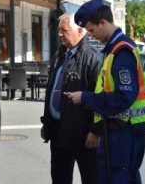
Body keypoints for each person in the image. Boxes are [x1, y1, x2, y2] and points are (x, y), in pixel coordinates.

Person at [69, 0, 145, 184]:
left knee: (117, 177)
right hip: (129, 129)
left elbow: (123, 97)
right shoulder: (118, 49)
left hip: (123, 131)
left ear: (103, 22)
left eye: (92, 30)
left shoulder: (121, 52)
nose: (91, 36)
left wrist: (86, 98)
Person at [40, 12, 102, 184]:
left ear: (80, 31)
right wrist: (47, 121)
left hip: (83, 135)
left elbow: (99, 98)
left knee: (90, 179)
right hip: (59, 132)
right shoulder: (59, 56)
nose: (59, 34)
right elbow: (52, 91)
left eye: (64, 30)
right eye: (59, 30)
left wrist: (94, 131)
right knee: (59, 179)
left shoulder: (93, 58)